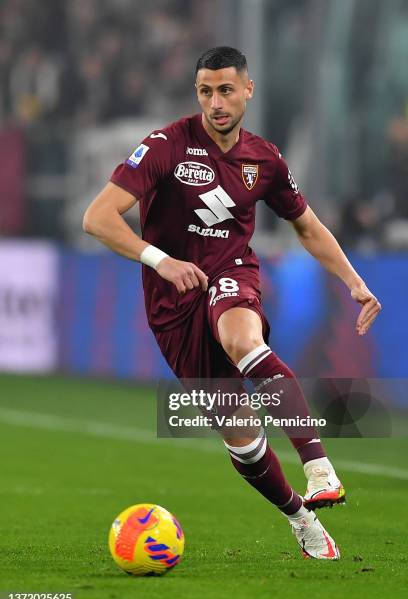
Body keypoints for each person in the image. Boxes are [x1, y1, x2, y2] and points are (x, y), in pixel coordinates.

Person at [83, 47, 381, 560]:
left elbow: (307, 227)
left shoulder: (265, 159)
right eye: (205, 91)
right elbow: (98, 218)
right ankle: (300, 516)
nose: (216, 102)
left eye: (225, 90)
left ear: (248, 89)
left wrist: (353, 281)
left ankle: (319, 467)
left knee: (242, 339)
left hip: (230, 274)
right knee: (241, 437)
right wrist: (160, 260)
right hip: (171, 300)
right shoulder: (164, 146)